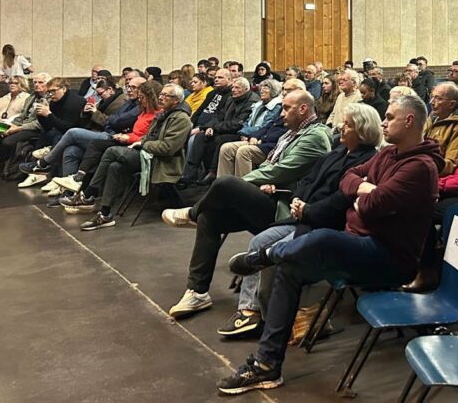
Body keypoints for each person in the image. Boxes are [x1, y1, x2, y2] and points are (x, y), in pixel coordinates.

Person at [216, 95, 442, 393]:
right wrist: (364, 190)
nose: (384, 123)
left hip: (388, 257)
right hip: (358, 244)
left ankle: (266, 255)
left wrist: (363, 198)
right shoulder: (389, 154)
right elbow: (349, 178)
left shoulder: (421, 167)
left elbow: (371, 205)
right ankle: (266, 365)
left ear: (409, 121)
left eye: (389, 117)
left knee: (323, 238)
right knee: (290, 268)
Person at [216, 103, 380, 337]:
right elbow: (307, 181)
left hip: (327, 225)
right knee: (258, 242)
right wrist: (296, 200)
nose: (341, 128)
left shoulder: (368, 161)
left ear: (363, 130)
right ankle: (249, 311)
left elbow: (340, 201)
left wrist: (308, 210)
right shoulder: (336, 152)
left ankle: (271, 318)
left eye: (348, 125)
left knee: (275, 254)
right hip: (302, 217)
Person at [164, 89, 332, 316]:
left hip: (286, 212)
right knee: (209, 218)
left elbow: (281, 171)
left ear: (303, 109)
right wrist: (261, 182)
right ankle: (197, 292)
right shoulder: (291, 133)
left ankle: (191, 214)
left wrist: (243, 184)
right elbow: (270, 166)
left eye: (286, 108)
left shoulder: (316, 137)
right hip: (273, 197)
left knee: (226, 184)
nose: (281, 114)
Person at [78, 83, 191, 232]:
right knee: (114, 166)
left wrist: (142, 144)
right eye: (161, 94)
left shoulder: (181, 119)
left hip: (162, 162)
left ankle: (88, 193)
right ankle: (105, 214)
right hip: (148, 155)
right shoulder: (164, 113)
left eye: (165, 95)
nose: (160, 98)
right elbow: (149, 136)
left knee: (111, 151)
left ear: (176, 100)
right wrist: (140, 142)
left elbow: (168, 148)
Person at [423, 82, 458, 176]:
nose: (431, 102)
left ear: (451, 104)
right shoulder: (431, 118)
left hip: (434, 176)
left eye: (438, 98)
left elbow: (451, 165)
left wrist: (421, 166)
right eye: (432, 97)